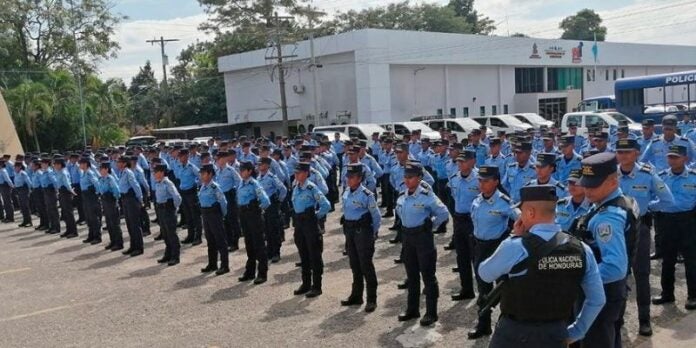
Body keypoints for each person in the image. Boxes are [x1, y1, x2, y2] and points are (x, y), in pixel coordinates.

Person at [480, 185, 605, 347]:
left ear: (530, 212)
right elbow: (597, 299)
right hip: (556, 333)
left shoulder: (516, 246)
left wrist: (512, 237)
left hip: (514, 334)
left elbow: (484, 273)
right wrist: (577, 331)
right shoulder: (582, 249)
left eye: (522, 211)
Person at [616, 138, 674, 336]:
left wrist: (648, 208)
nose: (623, 156)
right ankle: (618, 317)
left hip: (639, 228)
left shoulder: (647, 175)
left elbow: (667, 198)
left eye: (627, 152)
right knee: (619, 274)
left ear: (637, 153)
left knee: (641, 275)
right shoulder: (611, 175)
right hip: (616, 231)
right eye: (619, 152)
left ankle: (644, 319)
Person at [576, 152, 634, 348]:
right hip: (613, 290)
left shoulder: (607, 219)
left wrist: (581, 278)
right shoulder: (618, 202)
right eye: (586, 183)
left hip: (601, 293)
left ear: (612, 181)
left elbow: (615, 266)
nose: (587, 190)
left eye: (594, 185)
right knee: (610, 337)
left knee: (596, 340)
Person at [468, 166, 520, 339]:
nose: (482, 184)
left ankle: (506, 327)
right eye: (480, 180)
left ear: (496, 182)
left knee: (503, 289)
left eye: (486, 181)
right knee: (483, 289)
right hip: (479, 247)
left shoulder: (504, 202)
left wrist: (513, 237)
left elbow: (520, 220)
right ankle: (483, 325)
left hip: (497, 248)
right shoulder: (477, 200)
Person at [396, 161, 449, 326]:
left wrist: (430, 226)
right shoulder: (402, 195)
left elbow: (443, 213)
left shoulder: (427, 196)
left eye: (411, 177)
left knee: (428, 275)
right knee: (411, 276)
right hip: (408, 238)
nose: (407, 180)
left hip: (423, 238)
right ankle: (412, 309)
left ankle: (431, 312)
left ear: (419, 178)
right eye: (406, 177)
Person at [651, 145, 696, 311]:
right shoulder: (660, 177)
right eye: (670, 157)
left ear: (685, 158)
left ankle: (693, 295)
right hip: (666, 221)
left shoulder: (693, 177)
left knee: (691, 260)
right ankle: (667, 293)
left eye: (676, 157)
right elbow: (652, 198)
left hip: (688, 221)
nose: (672, 160)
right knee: (667, 260)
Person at [340, 163, 381, 313]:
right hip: (350, 231)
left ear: (359, 178)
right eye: (347, 177)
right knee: (354, 264)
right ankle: (356, 295)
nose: (348, 179)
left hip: (363, 232)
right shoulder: (346, 192)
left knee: (366, 266)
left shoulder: (366, 195)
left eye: (352, 177)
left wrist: (373, 233)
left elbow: (376, 217)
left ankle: (372, 299)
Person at [291, 162, 331, 298]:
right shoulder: (296, 186)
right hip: (299, 224)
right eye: (295, 173)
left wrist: (315, 216)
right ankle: (306, 283)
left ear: (306, 173)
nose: (296, 175)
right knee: (303, 254)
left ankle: (317, 286)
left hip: (310, 224)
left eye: (299, 173)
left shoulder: (311, 187)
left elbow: (326, 205)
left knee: (314, 255)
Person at [448, 150, 479, 301]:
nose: (460, 164)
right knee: (462, 256)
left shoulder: (480, 179)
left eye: (464, 161)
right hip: (459, 219)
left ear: (472, 161)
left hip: (473, 221)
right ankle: (466, 289)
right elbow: (454, 197)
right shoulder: (454, 178)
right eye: (459, 161)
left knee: (475, 256)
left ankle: (483, 292)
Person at [237, 161, 270, 284]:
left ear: (249, 171)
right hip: (244, 215)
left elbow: (266, 201)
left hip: (253, 216)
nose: (240, 172)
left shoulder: (254, 184)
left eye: (243, 170)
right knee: (249, 244)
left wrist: (257, 210)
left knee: (259, 245)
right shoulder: (241, 183)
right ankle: (250, 271)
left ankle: (262, 273)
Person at [199, 164, 230, 276]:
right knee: (210, 240)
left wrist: (221, 215)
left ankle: (224, 265)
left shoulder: (214, 187)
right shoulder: (203, 186)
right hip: (206, 214)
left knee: (220, 240)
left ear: (210, 174)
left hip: (214, 214)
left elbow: (223, 202)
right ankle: (212, 264)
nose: (201, 176)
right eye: (201, 173)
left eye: (204, 173)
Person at [257, 157, 287, 263]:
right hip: (263, 206)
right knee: (266, 229)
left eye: (262, 164)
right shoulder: (258, 178)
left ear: (267, 166)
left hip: (272, 205)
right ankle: (269, 251)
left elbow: (283, 189)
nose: (260, 166)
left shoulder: (272, 177)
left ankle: (276, 252)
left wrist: (278, 201)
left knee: (274, 229)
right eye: (259, 165)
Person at [153, 164, 182, 266]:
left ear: (161, 172)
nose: (154, 174)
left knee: (171, 233)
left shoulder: (168, 183)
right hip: (161, 209)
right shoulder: (158, 183)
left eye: (155, 172)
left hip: (168, 209)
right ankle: (168, 254)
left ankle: (175, 256)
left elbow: (177, 197)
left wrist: (174, 209)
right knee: (165, 233)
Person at [116, 156, 144, 257]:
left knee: (135, 225)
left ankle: (139, 247)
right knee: (129, 224)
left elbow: (136, 186)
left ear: (124, 163)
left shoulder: (128, 172)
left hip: (131, 199)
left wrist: (140, 199)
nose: (117, 163)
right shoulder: (121, 172)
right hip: (125, 200)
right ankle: (133, 246)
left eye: (119, 162)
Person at [215, 151, 242, 251]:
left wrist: (235, 193)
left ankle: (235, 242)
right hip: (221, 197)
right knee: (225, 220)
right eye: (217, 159)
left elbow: (239, 182)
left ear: (224, 159)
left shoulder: (231, 170)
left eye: (219, 159)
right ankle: (229, 241)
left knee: (232, 220)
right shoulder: (217, 171)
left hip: (230, 196)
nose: (217, 161)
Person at [177, 149, 202, 245]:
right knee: (188, 216)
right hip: (183, 193)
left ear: (186, 156)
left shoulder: (192, 167)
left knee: (195, 216)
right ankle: (190, 236)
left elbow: (200, 177)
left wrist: (196, 186)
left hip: (191, 193)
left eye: (181, 156)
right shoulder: (180, 166)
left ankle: (198, 237)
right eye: (179, 156)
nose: (180, 158)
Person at [97, 163, 123, 251]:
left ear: (106, 169)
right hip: (105, 202)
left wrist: (114, 199)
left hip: (111, 202)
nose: (100, 171)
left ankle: (119, 243)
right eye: (99, 169)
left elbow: (116, 191)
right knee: (109, 223)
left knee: (114, 223)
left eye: (101, 169)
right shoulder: (101, 179)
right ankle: (113, 241)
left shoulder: (110, 178)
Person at [78, 158, 101, 244]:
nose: (80, 165)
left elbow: (97, 184)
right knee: (88, 217)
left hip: (91, 196)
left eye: (81, 163)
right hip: (85, 196)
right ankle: (91, 235)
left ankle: (97, 236)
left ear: (85, 164)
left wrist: (98, 194)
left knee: (93, 217)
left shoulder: (89, 173)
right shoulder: (83, 173)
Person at [53, 157, 78, 238]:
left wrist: (72, 192)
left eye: (56, 164)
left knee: (69, 213)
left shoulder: (63, 172)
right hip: (61, 192)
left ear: (60, 165)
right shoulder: (59, 172)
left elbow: (67, 184)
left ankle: (73, 231)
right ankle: (68, 230)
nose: (55, 166)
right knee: (65, 213)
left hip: (66, 193)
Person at [13, 161, 32, 227]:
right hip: (19, 190)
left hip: (24, 190)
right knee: (22, 207)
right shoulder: (16, 173)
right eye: (14, 167)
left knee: (25, 206)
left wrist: (30, 190)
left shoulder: (23, 173)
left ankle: (29, 221)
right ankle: (25, 220)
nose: (15, 168)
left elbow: (28, 182)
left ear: (20, 167)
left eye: (16, 166)